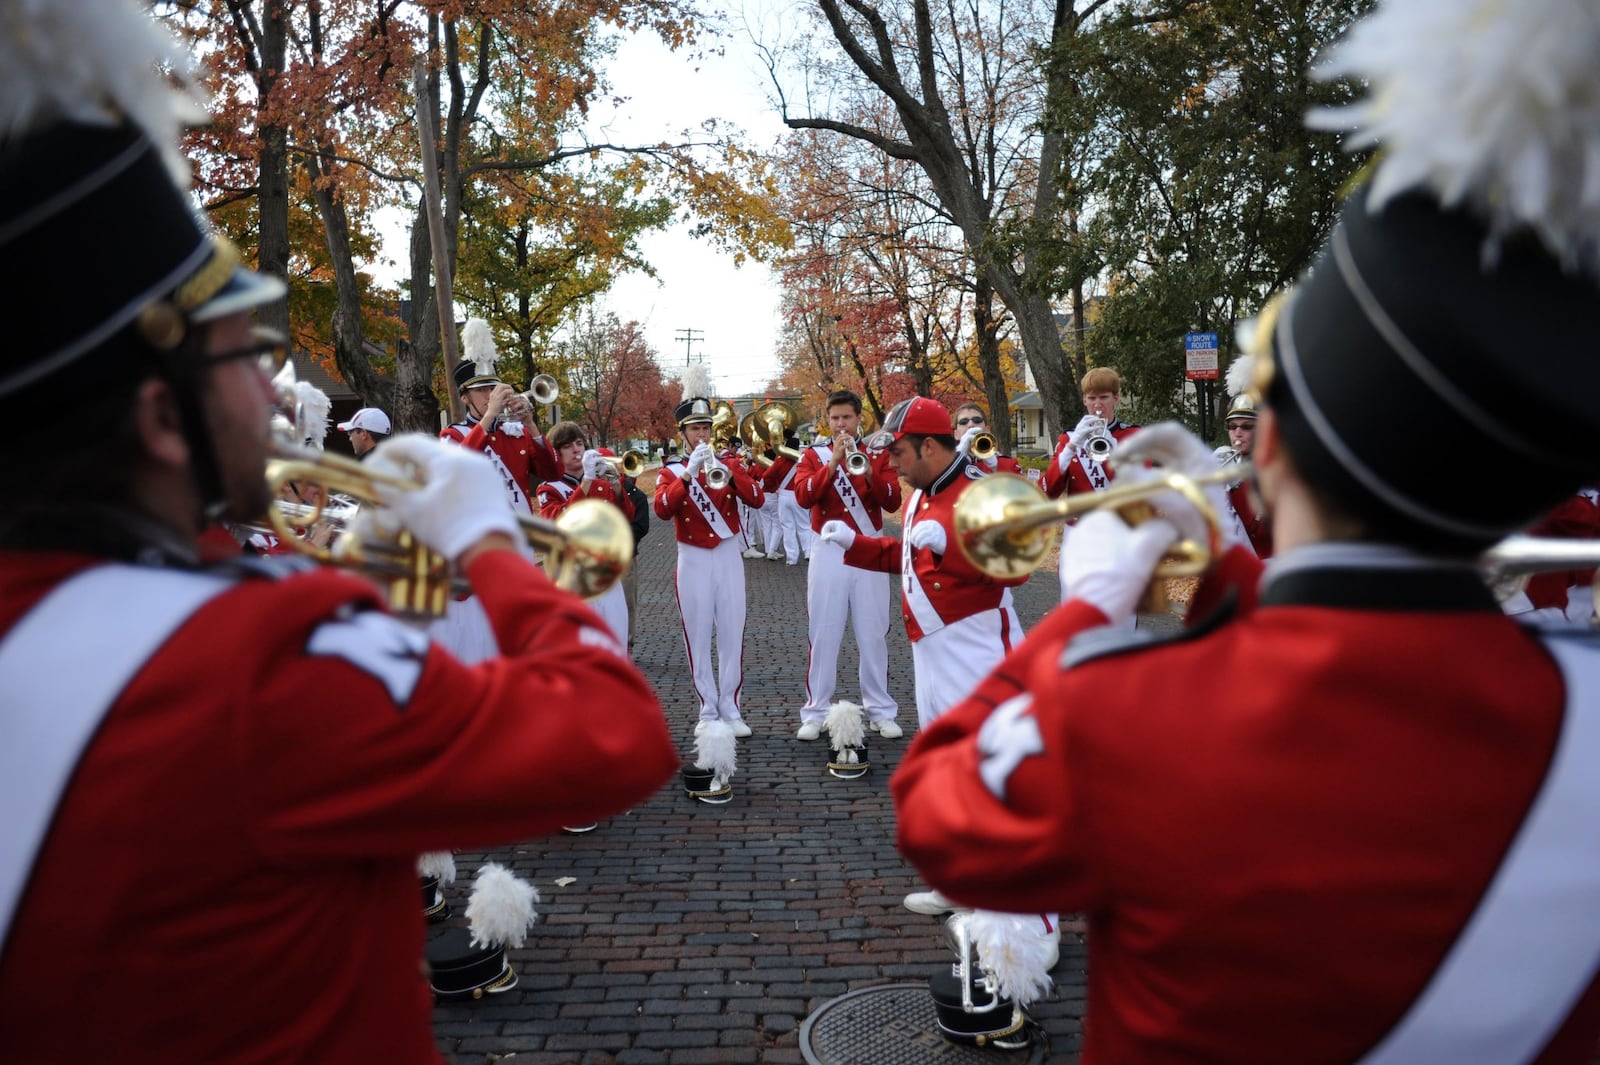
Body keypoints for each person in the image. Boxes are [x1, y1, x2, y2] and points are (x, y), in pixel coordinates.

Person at [891, 1, 1600, 1059]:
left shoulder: (1131, 719)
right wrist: (1223, 562)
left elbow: (935, 802)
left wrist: (1084, 604)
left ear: (1264, 447)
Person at [0, 5, 679, 1061]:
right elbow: (613, 735)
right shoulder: (262, 655)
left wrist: (372, 585)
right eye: (238, 358)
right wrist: (489, 546)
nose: (276, 408)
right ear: (161, 418)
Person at [434, 320, 561, 662]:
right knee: (481, 637)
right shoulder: (454, 435)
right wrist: (488, 417)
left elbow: (552, 472)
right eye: (480, 391)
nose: (490, 395)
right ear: (464, 397)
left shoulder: (516, 432)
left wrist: (532, 423)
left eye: (493, 387)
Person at [653, 373, 765, 736]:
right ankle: (707, 707)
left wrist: (730, 473)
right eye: (694, 429)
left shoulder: (729, 464)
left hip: (728, 554)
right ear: (682, 434)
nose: (702, 435)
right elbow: (662, 510)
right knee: (698, 635)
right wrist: (688, 474)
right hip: (693, 556)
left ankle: (732, 706)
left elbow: (757, 499)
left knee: (732, 631)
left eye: (706, 427)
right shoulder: (671, 470)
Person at [790, 389, 903, 741]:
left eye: (847, 418)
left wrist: (869, 472)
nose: (841, 424)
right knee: (824, 631)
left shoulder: (877, 454)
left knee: (873, 631)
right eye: (836, 418)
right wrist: (832, 464)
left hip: (868, 547)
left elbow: (892, 500)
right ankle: (815, 710)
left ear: (859, 420)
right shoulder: (813, 455)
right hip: (827, 551)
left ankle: (880, 710)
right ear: (828, 420)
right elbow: (804, 496)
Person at [536, 422, 634, 646]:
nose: (577, 450)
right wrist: (587, 481)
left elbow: (625, 517)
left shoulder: (601, 482)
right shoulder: (549, 487)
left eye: (580, 443)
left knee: (616, 638)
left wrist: (616, 486)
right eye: (568, 446)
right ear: (556, 453)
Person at [1040, 367, 1140, 502]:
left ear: (1115, 398)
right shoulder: (1068, 438)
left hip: (1119, 520)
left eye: (1104, 397)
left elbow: (1143, 489)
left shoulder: (1133, 436)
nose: (1097, 405)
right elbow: (1046, 493)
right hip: (1081, 522)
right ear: (1084, 400)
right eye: (1092, 398)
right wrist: (1070, 447)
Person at [1215, 361, 1272, 558]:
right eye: (1232, 426)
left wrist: (1236, 485)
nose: (1238, 433)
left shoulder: (1273, 469)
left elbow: (1262, 531)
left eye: (1247, 426)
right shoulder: (1226, 462)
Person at [951, 403, 1022, 475]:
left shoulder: (1009, 464)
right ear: (956, 434)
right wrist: (957, 459)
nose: (971, 425)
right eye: (963, 422)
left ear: (986, 430)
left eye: (977, 420)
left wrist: (995, 469)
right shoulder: (944, 466)